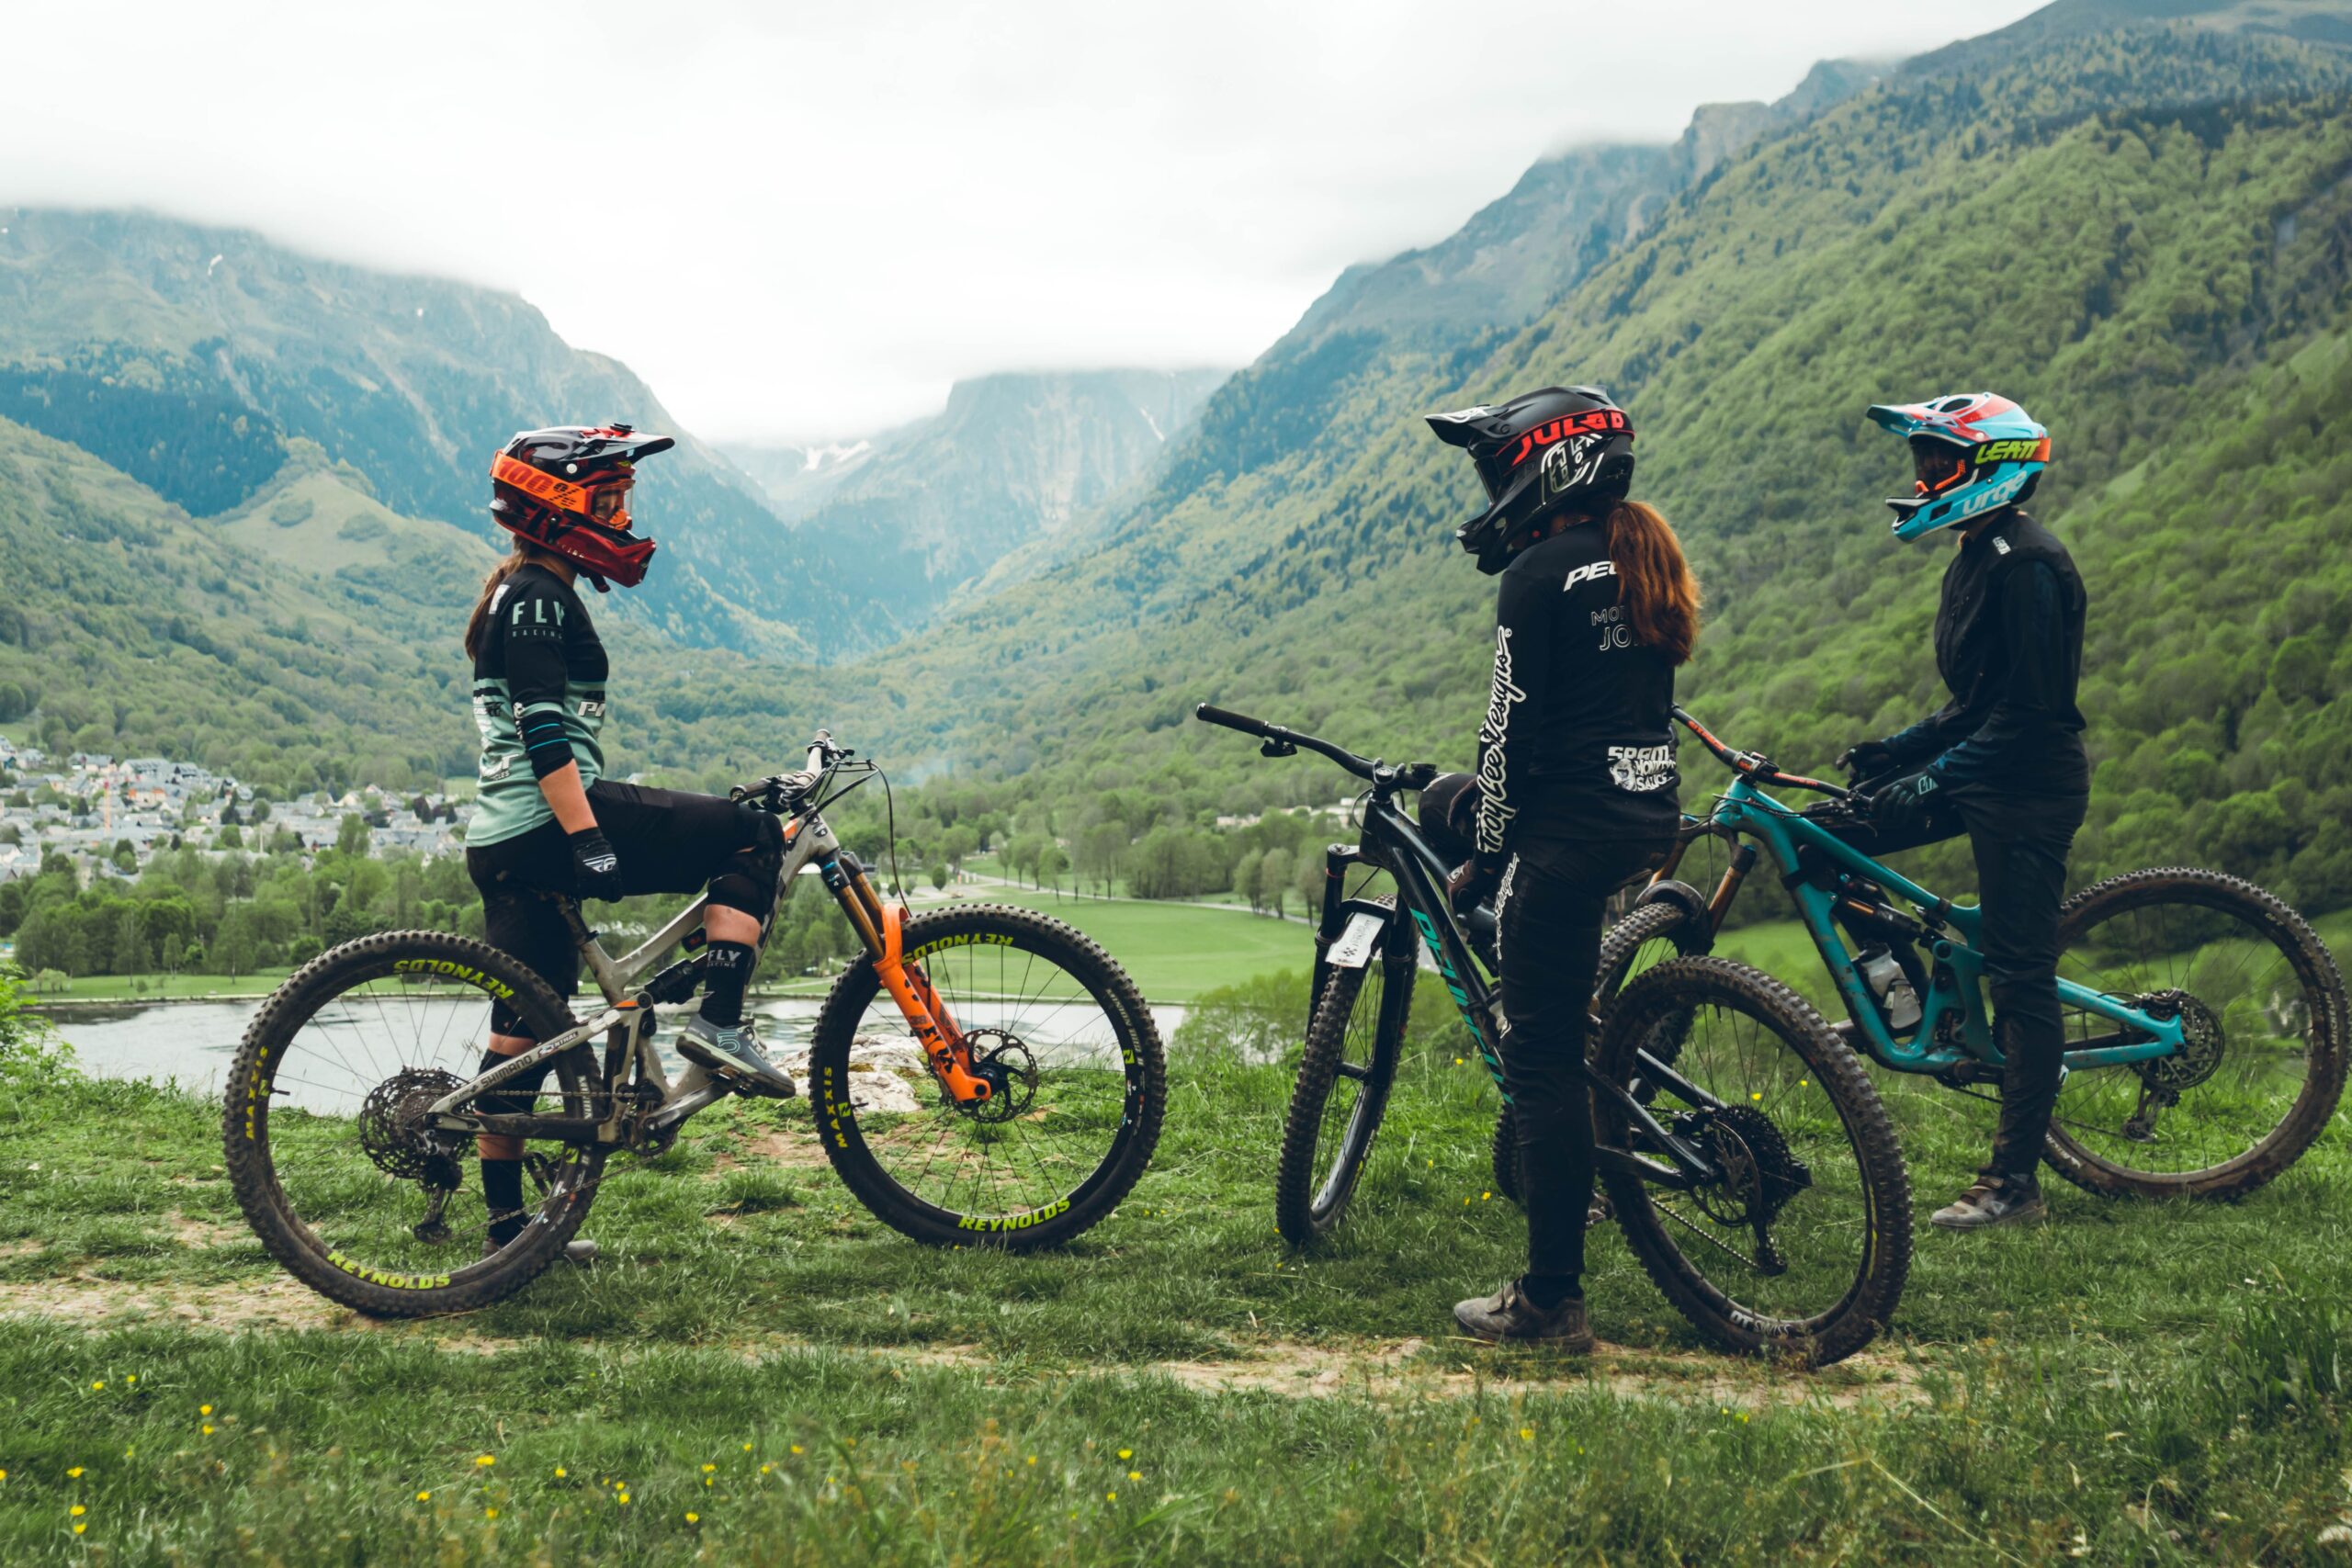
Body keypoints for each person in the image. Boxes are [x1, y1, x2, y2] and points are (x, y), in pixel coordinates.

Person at [463, 423, 797, 1261]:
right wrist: (587, 837)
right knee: (751, 839)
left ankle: (510, 1233)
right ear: (561, 506)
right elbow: (543, 729)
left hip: (504, 836)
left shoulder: (527, 588)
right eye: (608, 499)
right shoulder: (540, 593)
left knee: (522, 1038)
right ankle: (718, 1022)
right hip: (546, 822)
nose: (621, 516)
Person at [1423, 387, 1702, 1345]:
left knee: (1537, 1058)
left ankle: (1549, 1300)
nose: (1491, 484)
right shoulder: (1637, 557)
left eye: (1497, 465)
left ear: (1546, 465)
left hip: (1568, 832)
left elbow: (1505, 742)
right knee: (1560, 1012)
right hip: (1644, 818)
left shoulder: (1540, 572)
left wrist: (1486, 864)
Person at [1831, 392, 2086, 1230]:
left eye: (1939, 461)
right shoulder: (1977, 551)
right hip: (1981, 764)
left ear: (1988, 471)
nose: (1922, 476)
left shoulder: (2028, 565)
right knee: (1829, 835)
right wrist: (1897, 751)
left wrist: (1932, 779)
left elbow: (2029, 714)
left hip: (2030, 784)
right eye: (1924, 460)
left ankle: (2014, 1185)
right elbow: (1976, 700)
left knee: (2021, 976)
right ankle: (1902, 997)